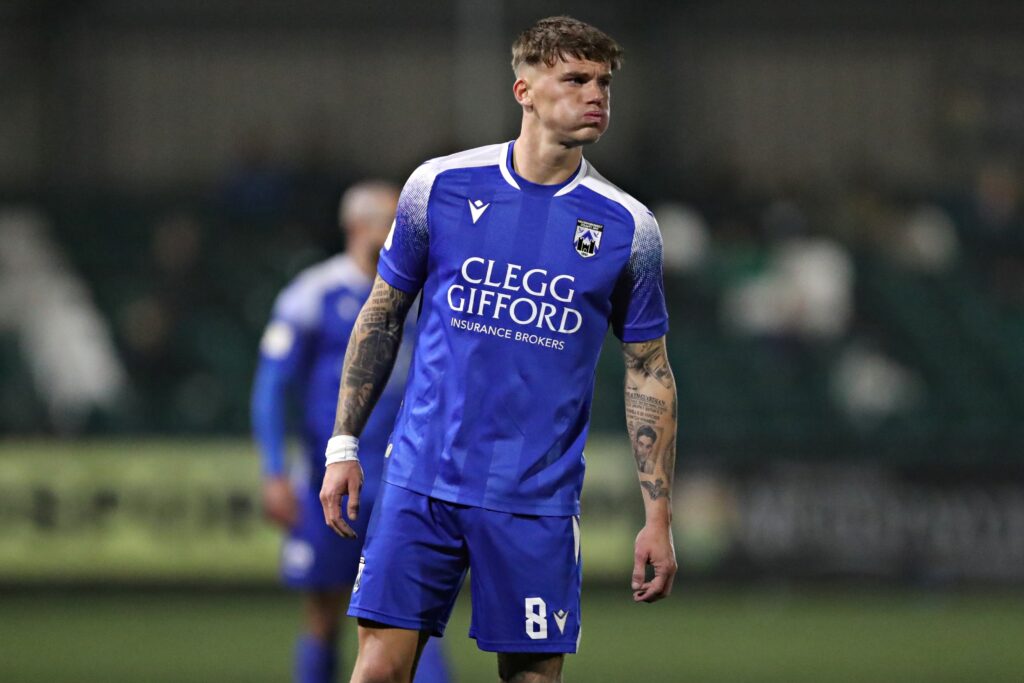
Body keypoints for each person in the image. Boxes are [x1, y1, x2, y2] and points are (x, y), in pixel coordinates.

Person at [319, 16, 678, 683]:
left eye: (603, 82)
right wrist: (344, 443)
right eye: (574, 78)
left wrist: (657, 514)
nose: (596, 94)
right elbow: (383, 312)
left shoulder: (629, 227)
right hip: (421, 477)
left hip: (534, 500)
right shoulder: (439, 187)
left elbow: (648, 367)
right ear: (524, 90)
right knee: (375, 672)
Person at [251, 181, 451, 683]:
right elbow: (271, 389)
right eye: (389, 220)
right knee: (323, 611)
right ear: (356, 226)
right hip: (332, 479)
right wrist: (275, 472)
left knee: (412, 616)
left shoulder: (418, 292)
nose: (399, 231)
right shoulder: (312, 294)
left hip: (403, 479)